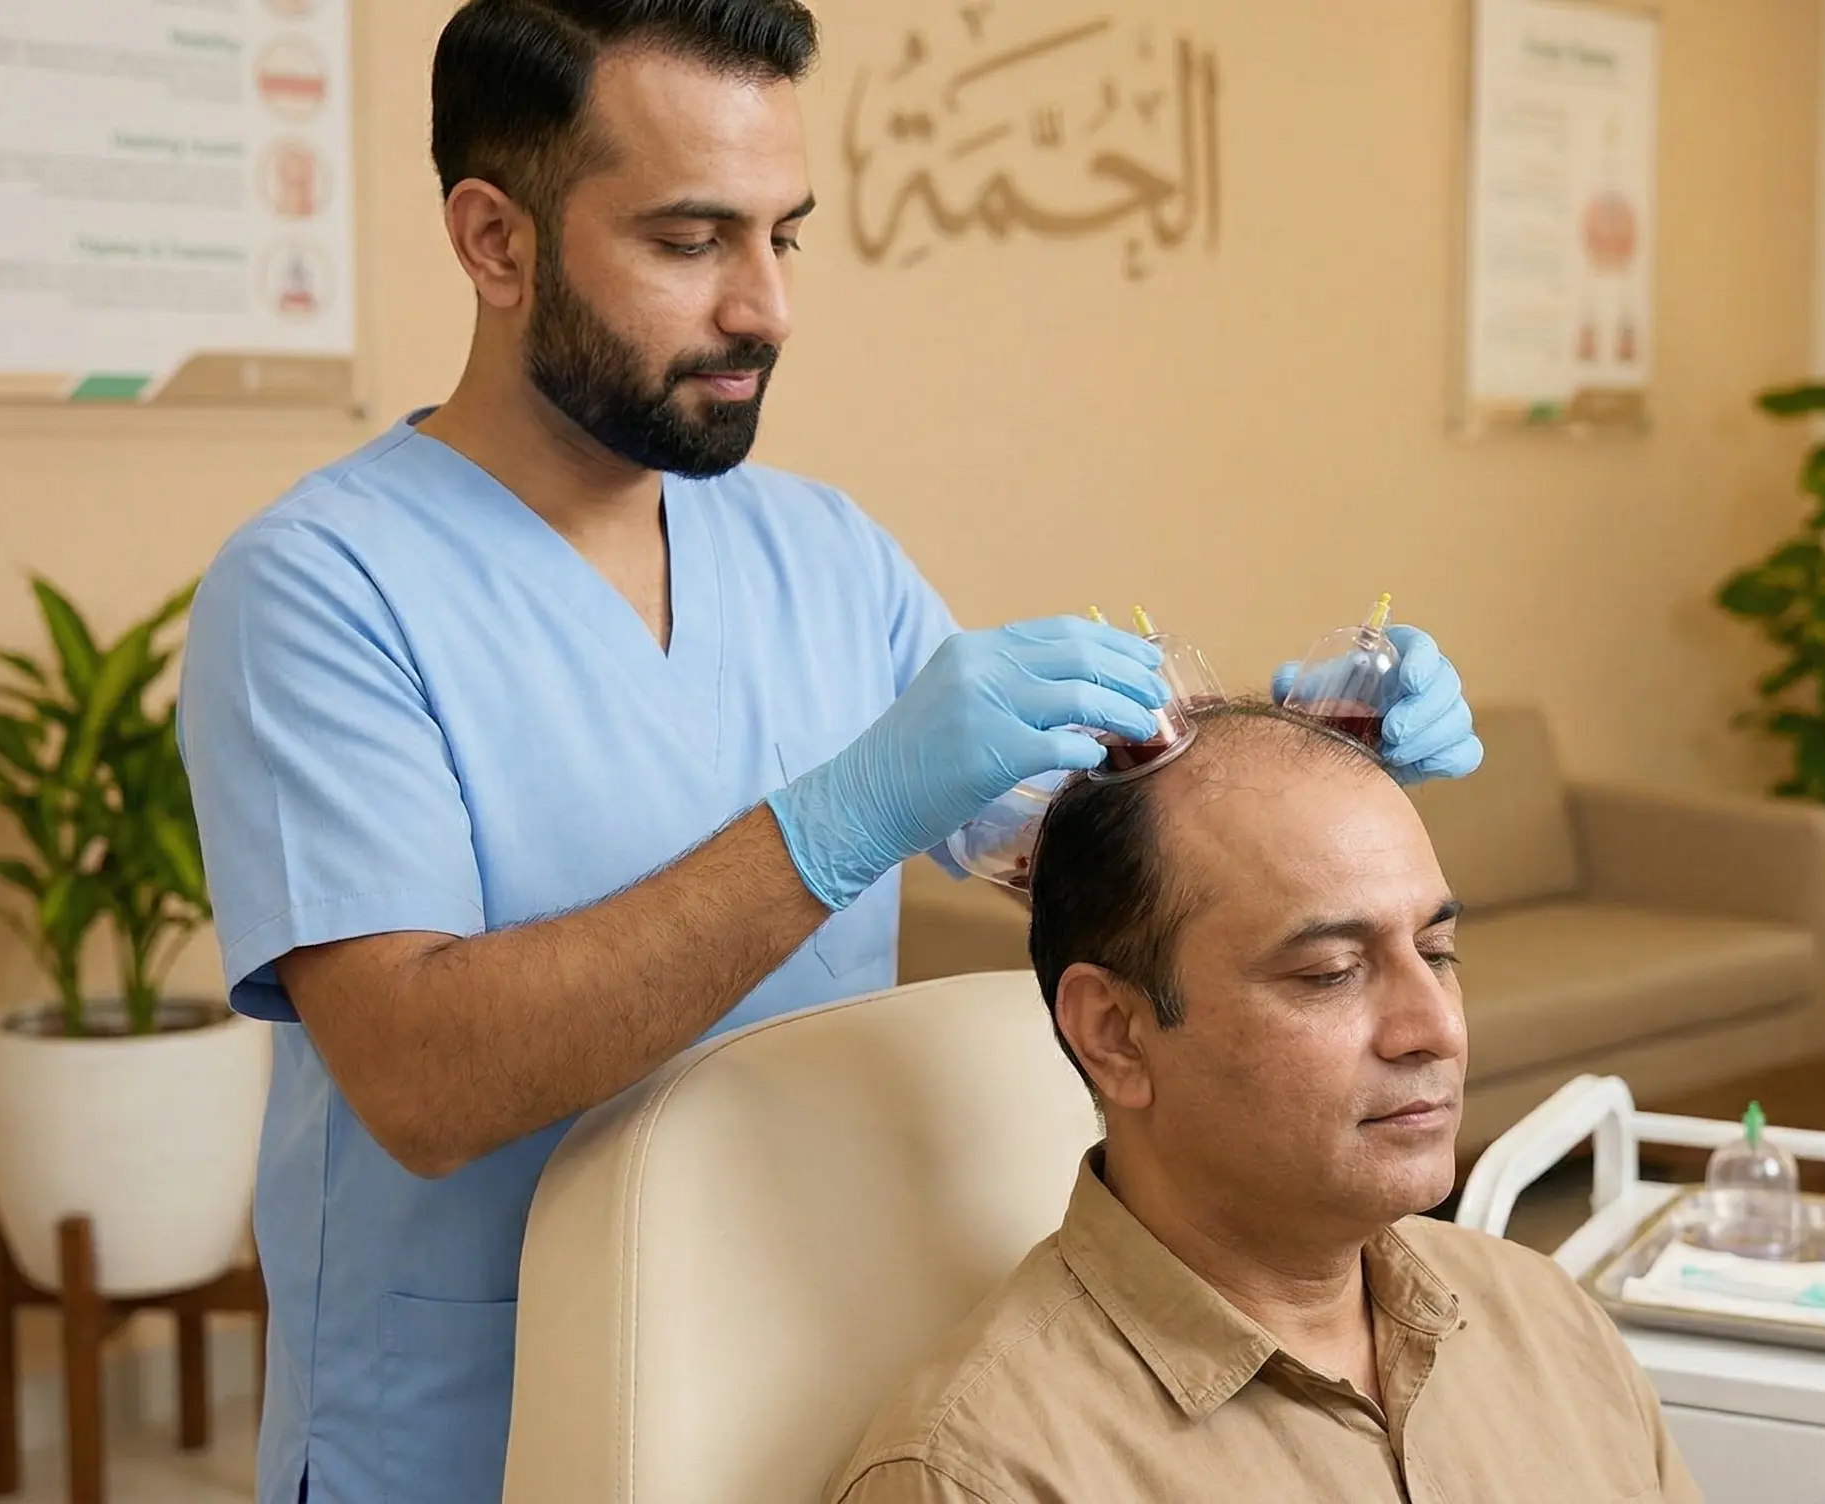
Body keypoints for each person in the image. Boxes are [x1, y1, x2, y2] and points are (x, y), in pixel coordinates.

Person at [176, 4, 1484, 1502]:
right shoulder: (322, 590)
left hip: (809, 1350)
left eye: (783, 235)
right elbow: (421, 1082)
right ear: (494, 241)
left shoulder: (822, 555)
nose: (768, 307)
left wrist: (1305, 763)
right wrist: (837, 820)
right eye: (690, 241)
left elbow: (1076, 851)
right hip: (477, 1422)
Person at [827, 703, 1701, 1503]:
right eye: (1331, 973)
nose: (1435, 1029)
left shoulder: (1545, 1322)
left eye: (1437, 953)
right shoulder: (987, 1474)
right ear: (1116, 1035)